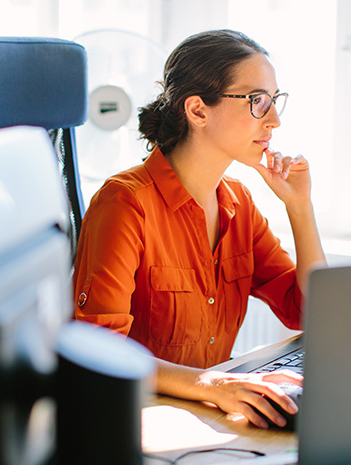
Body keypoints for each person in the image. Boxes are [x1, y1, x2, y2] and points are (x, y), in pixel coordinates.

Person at [72, 29, 327, 429]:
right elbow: (99, 352)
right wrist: (210, 383)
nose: (274, 121)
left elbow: (309, 312)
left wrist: (300, 206)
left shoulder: (238, 204)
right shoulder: (125, 204)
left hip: (205, 416)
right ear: (198, 111)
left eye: (275, 102)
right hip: (135, 421)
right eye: (258, 101)